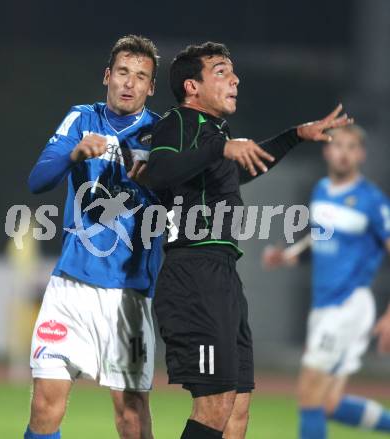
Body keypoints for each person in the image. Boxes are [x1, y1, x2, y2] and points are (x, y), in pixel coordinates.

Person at [146, 41, 352, 439]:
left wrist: (295, 136)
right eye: (222, 71)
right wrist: (220, 147)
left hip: (222, 273)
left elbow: (243, 167)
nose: (235, 78)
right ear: (192, 86)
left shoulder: (215, 133)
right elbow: (160, 170)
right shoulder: (179, 122)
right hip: (193, 272)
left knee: (238, 408)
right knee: (215, 403)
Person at [24, 35, 161, 439]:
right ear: (107, 76)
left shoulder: (162, 133)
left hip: (128, 294)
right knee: (44, 406)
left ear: (151, 87)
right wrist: (74, 155)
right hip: (70, 286)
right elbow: (37, 181)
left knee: (131, 416)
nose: (129, 83)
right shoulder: (82, 118)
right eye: (122, 72)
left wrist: (153, 183)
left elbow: (179, 205)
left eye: (140, 77)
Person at [262, 124, 390, 439]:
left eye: (351, 147)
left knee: (308, 393)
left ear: (360, 155)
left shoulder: (371, 200)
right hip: (325, 307)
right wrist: (288, 256)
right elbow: (318, 239)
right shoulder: (320, 191)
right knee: (328, 403)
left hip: (347, 305)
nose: (343, 153)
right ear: (326, 151)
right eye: (338, 145)